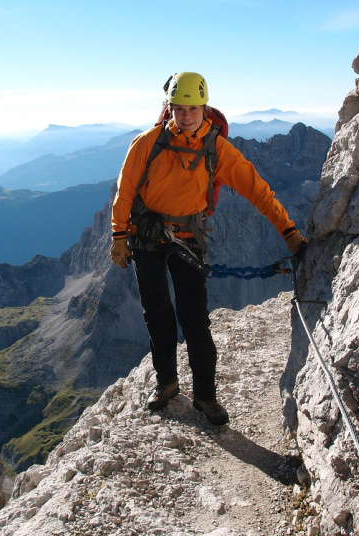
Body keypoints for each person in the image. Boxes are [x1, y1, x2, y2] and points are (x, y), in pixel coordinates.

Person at [110, 72, 306, 426]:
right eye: (179, 108)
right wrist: (118, 238)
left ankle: (205, 396)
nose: (186, 116)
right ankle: (167, 384)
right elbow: (124, 193)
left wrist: (289, 232)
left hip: (187, 239)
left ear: (204, 109)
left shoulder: (215, 148)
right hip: (146, 238)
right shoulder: (147, 143)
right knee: (157, 315)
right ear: (169, 107)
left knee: (195, 320)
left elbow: (258, 191)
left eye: (193, 109)